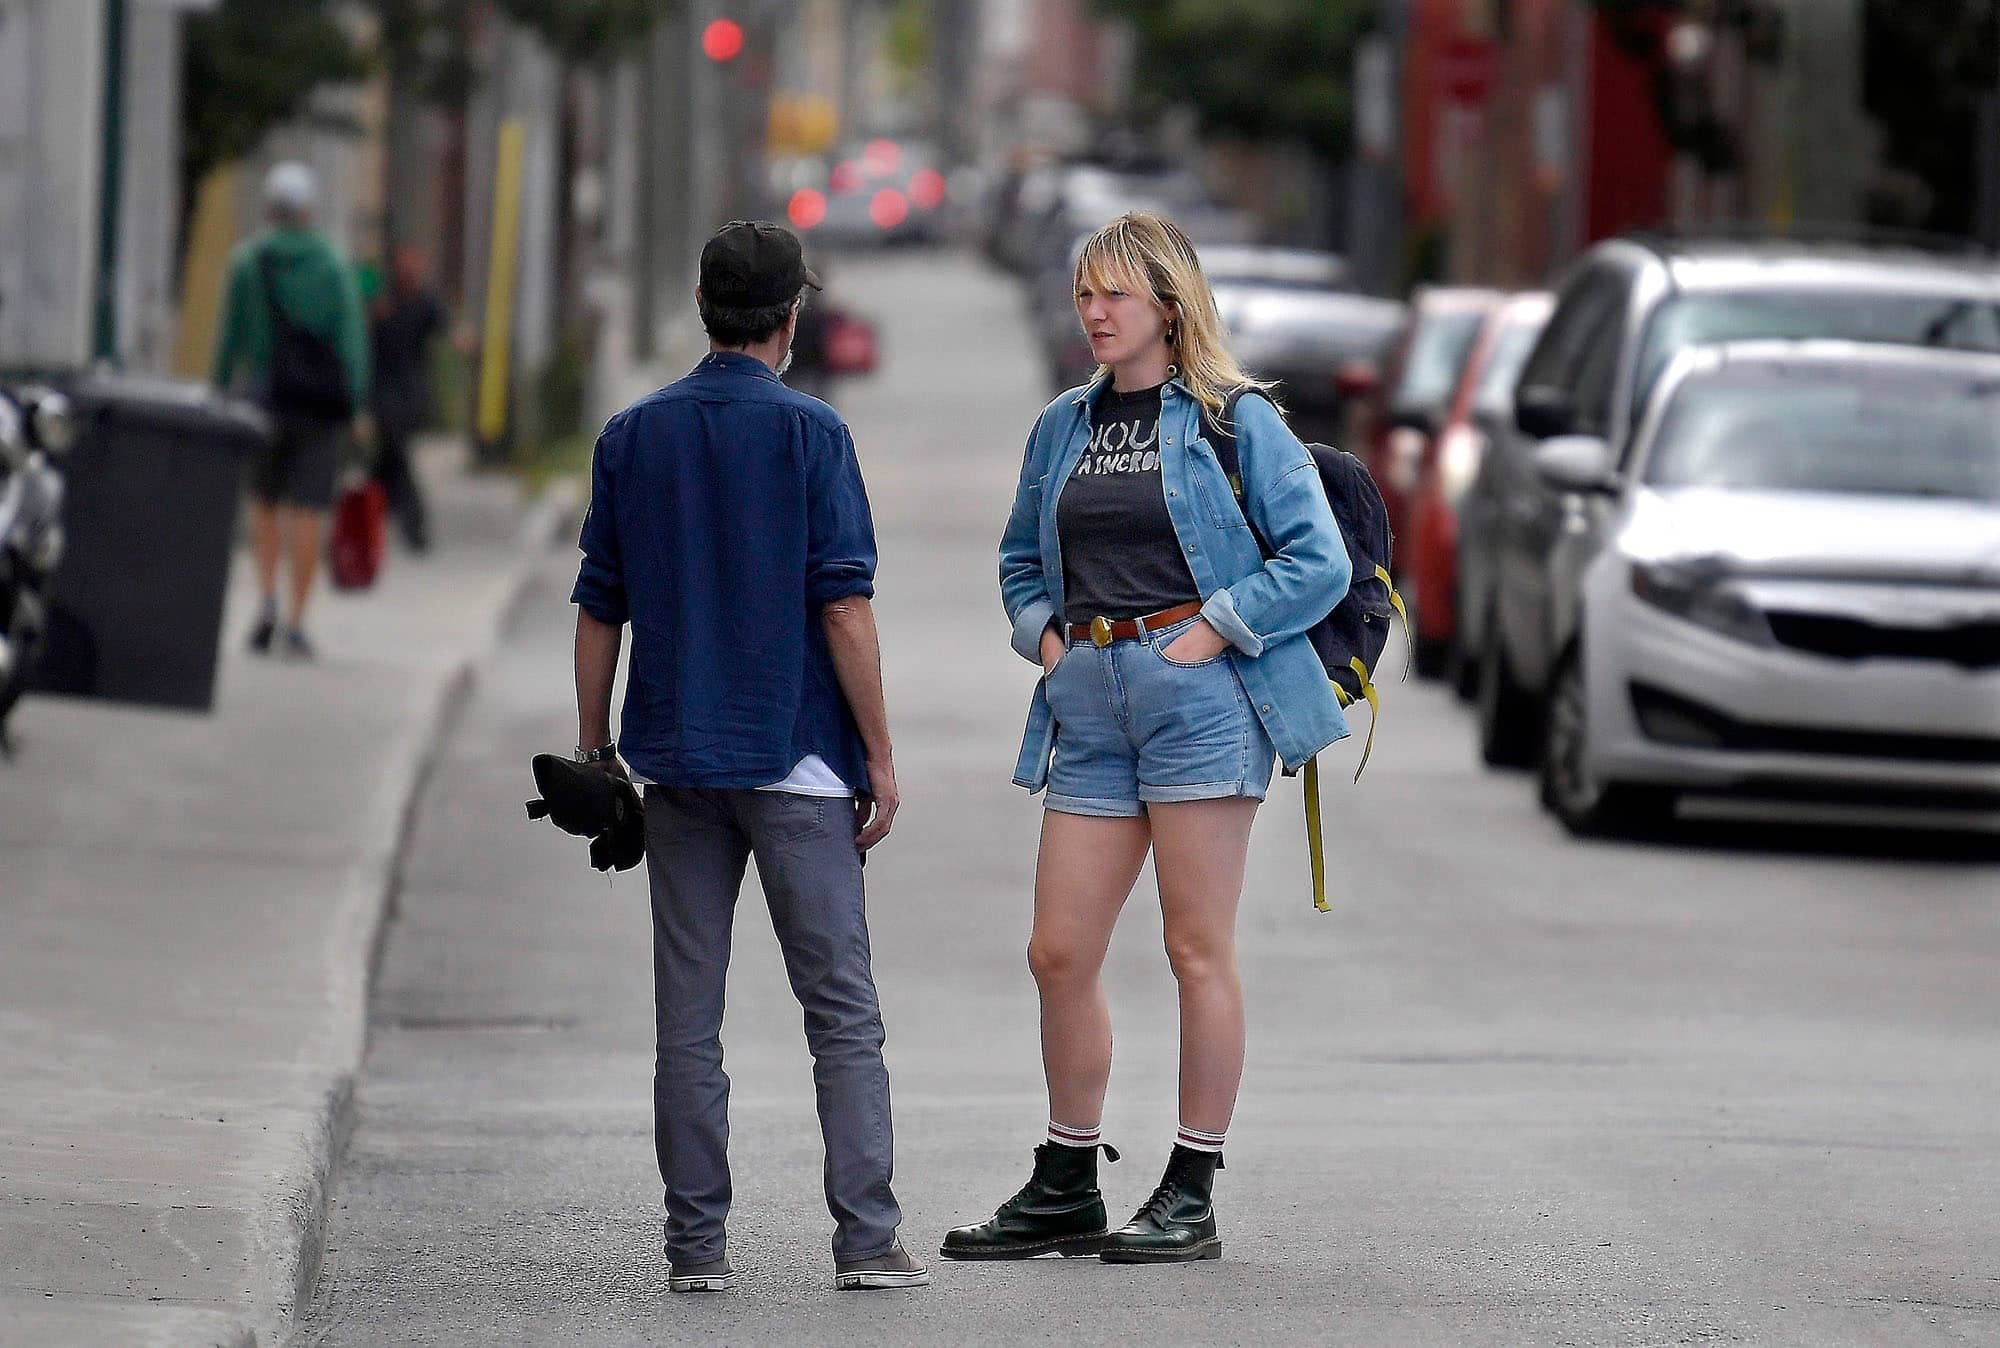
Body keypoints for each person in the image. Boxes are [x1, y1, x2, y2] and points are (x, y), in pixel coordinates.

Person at [945, 212, 1351, 1265]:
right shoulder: (1062, 427)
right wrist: (1049, 646)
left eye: (1113, 294)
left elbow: (1317, 561)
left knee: (1191, 947)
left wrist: (1211, 628)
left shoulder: (1233, 421)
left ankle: (1189, 1184)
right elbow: (1016, 561)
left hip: (1200, 699)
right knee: (1057, 949)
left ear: (1167, 306)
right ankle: (1068, 1179)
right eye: (1084, 293)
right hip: (1088, 699)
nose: (1092, 312)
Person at [570, 220, 927, 1294]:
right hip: (800, 765)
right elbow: (845, 611)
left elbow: (599, 610)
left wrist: (596, 753)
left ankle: (696, 1251)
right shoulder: (812, 436)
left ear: (699, 304)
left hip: (676, 768)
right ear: (790, 316)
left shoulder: (633, 436)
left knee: (689, 1018)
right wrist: (879, 755)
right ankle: (865, 1242)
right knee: (841, 1017)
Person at [213, 162, 371, 660]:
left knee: (263, 501)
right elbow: (352, 341)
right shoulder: (331, 265)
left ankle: (265, 600)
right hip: (321, 407)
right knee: (309, 510)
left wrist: (220, 392)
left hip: (263, 402)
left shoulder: (247, 262)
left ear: (268, 209)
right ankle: (298, 624)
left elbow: (229, 339)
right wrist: (358, 404)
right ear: (308, 211)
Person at [368, 245, 450, 552]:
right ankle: (408, 525)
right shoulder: (383, 299)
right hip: (382, 390)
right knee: (392, 459)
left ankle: (378, 521)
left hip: (410, 390)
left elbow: (443, 328)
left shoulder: (424, 302)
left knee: (390, 459)